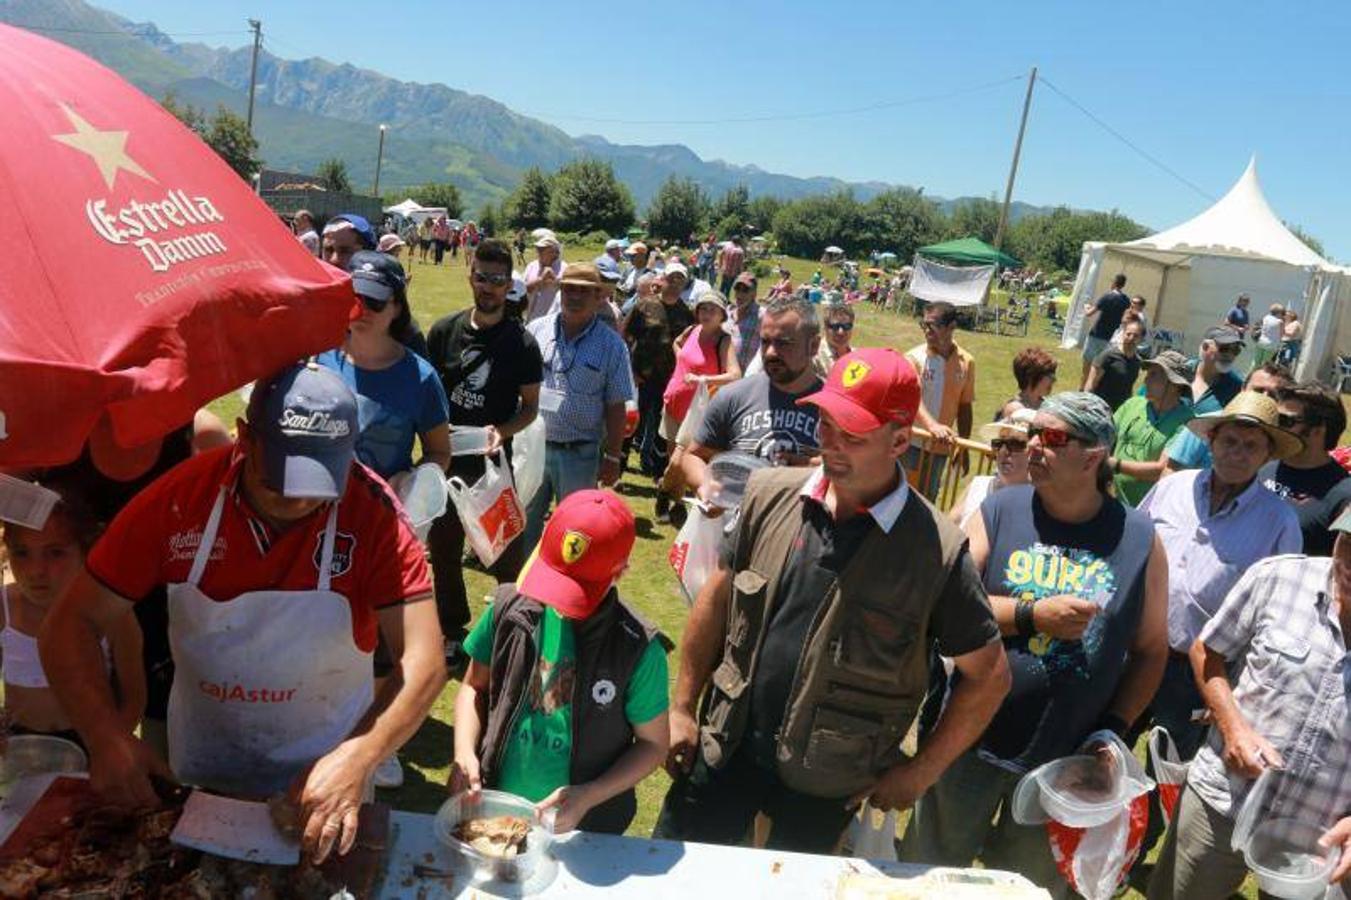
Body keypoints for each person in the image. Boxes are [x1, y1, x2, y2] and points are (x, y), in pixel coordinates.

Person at [39, 363, 446, 864]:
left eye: (318, 486)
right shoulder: (180, 500)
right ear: (245, 438)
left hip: (326, 774)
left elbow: (424, 661)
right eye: (280, 481)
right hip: (206, 768)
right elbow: (69, 624)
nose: (298, 501)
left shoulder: (373, 512)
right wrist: (105, 736)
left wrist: (362, 754)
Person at [656, 348, 1009, 852]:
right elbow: (716, 597)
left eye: (854, 435)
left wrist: (920, 772)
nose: (832, 445)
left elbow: (990, 676)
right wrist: (684, 707)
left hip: (828, 781)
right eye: (825, 424)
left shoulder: (938, 551)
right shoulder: (767, 494)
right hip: (724, 748)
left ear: (901, 440)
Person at [903, 392, 1168, 895]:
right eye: (1032, 436)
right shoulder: (1001, 510)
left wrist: (1112, 730)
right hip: (970, 738)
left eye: (1052, 437)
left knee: (1031, 887)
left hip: (1066, 762)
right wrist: (1031, 616)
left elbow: (1153, 650)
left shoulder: (1139, 539)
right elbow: (947, 606)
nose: (1034, 447)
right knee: (931, 874)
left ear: (1093, 457)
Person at [1147, 507, 1351, 899]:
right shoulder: (1278, 577)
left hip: (1321, 836)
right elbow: (1208, 651)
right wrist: (1233, 726)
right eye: (1350, 541)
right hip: (1224, 799)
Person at [451, 490, 669, 834]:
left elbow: (654, 745)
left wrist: (590, 795)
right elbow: (472, 687)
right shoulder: (509, 609)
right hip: (494, 805)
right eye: (556, 579)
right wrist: (464, 750)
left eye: (580, 589)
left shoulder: (638, 650)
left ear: (621, 572)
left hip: (585, 826)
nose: (561, 603)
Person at [1138, 391, 1303, 761]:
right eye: (1229, 441)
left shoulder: (1280, 522)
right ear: (1211, 441)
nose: (1238, 453)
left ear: (1267, 456)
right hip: (1134, 652)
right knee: (1102, 751)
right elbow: (1130, 547)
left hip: (1197, 674)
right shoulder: (1171, 487)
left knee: (1168, 770)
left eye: (1251, 446)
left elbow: (1275, 614)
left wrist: (1234, 687)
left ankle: (1154, 821)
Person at [425, 238, 543, 660]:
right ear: (469, 276)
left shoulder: (523, 344)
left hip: (494, 465)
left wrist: (503, 431)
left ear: (508, 283)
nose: (488, 287)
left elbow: (529, 408)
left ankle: (509, 631)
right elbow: (427, 394)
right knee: (443, 549)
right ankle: (451, 628)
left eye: (497, 280)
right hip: (445, 459)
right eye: (481, 277)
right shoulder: (443, 332)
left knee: (505, 555)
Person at [2, 482, 142, 745]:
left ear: (86, 551)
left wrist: (112, 748)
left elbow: (134, 697)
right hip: (21, 744)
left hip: (94, 743)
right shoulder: (4, 609)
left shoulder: (113, 614)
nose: (36, 571)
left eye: (55, 553)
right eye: (22, 553)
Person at [523, 264, 635, 553]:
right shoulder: (536, 330)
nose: (574, 296)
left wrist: (612, 457)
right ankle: (522, 591)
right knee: (526, 524)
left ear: (599, 296)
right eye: (569, 288)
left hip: (580, 453)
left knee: (574, 531)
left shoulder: (612, 345)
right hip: (533, 448)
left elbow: (616, 405)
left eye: (583, 291)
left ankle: (565, 592)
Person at [316, 251, 451, 483]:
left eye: (375, 301)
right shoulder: (318, 358)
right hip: (319, 506)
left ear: (397, 307)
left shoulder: (421, 378)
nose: (362, 310)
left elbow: (439, 452)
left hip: (381, 512)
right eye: (355, 298)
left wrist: (409, 482)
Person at [679, 296, 825, 503]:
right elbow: (693, 455)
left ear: (813, 346)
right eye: (765, 342)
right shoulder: (733, 396)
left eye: (784, 343)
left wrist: (826, 468)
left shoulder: (836, 409)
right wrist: (706, 485)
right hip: (736, 528)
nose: (771, 352)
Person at [657, 293, 741, 518]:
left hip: (697, 411)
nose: (706, 314)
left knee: (678, 462)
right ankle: (675, 503)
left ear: (722, 315)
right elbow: (677, 344)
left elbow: (735, 375)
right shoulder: (692, 330)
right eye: (703, 309)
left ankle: (664, 490)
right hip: (674, 401)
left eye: (712, 310)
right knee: (672, 459)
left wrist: (704, 379)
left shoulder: (724, 341)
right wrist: (681, 362)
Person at [1260, 381, 1351, 556]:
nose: (1275, 426)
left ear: (1318, 430)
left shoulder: (1344, 496)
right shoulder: (1262, 467)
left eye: (1285, 421)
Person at [621, 272, 695, 482]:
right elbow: (625, 335)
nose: (674, 284)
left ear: (684, 285)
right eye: (671, 278)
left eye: (680, 280)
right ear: (662, 281)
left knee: (663, 427)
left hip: (670, 380)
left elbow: (690, 346)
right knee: (633, 421)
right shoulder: (644, 305)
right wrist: (632, 371)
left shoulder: (687, 313)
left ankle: (658, 471)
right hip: (641, 377)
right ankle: (619, 466)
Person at [906, 301, 975, 499]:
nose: (926, 331)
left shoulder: (967, 362)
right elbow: (913, 398)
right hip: (912, 443)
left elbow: (964, 406)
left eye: (932, 325)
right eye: (924, 324)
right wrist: (932, 426)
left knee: (929, 497)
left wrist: (963, 446)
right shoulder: (914, 358)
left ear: (951, 327)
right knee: (905, 495)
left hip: (940, 449)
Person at [1108, 350, 1195, 506]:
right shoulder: (1133, 404)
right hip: (1112, 501)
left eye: (1154, 375)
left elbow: (1163, 470)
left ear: (1174, 384)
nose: (1146, 380)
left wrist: (1114, 465)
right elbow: (1103, 436)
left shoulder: (1187, 422)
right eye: (1148, 373)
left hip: (1149, 511)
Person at [1160, 327, 1249, 472]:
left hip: (1192, 466)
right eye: (1225, 348)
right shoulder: (1179, 372)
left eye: (1236, 350)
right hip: (1153, 452)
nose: (1230, 355)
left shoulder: (1237, 388)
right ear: (1205, 346)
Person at [949, 410, 1034, 530]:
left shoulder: (1041, 502)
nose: (1003, 451)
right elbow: (948, 528)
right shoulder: (979, 485)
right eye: (999, 444)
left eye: (1015, 444)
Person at [1083, 317, 1145, 411]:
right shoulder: (1107, 356)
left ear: (1141, 339)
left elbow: (1128, 388)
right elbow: (1091, 384)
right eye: (1128, 334)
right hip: (1100, 408)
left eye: (1135, 336)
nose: (1131, 338)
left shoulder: (1137, 362)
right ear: (1123, 334)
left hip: (1120, 410)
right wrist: (1086, 406)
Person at [1080, 273, 1131, 383]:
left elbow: (1089, 313)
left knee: (1087, 364)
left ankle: (1082, 387)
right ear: (1123, 285)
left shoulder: (1107, 297)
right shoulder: (1126, 301)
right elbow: (1125, 319)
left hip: (1097, 334)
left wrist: (1086, 307)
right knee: (1101, 367)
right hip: (1111, 338)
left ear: (1114, 282)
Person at [996, 347, 1057, 421]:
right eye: (1049, 375)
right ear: (1031, 377)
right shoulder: (1015, 409)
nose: (1054, 380)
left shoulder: (1048, 406)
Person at [524, 231, 564, 322]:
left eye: (543, 249)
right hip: (532, 317)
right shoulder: (532, 266)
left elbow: (567, 291)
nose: (539, 251)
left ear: (555, 252)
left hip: (554, 320)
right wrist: (540, 280)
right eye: (538, 248)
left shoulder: (564, 268)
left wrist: (553, 278)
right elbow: (523, 289)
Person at [729, 272, 762, 371]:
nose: (740, 294)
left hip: (747, 377)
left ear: (754, 293)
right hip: (724, 375)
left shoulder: (762, 315)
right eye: (737, 289)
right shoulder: (727, 312)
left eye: (745, 290)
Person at [812, 303, 854, 379]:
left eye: (846, 326)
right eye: (835, 327)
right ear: (825, 328)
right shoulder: (814, 357)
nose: (841, 332)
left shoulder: (857, 355)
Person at [1252, 302, 1285, 370]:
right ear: (1278, 313)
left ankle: (1250, 376)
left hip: (1261, 341)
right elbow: (1281, 335)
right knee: (1265, 364)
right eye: (1282, 313)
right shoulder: (1280, 322)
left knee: (1256, 361)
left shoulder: (1266, 317)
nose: (1282, 315)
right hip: (1271, 345)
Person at [619, 242, 653, 308]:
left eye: (633, 255)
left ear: (642, 256)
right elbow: (620, 282)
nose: (630, 258)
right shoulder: (629, 269)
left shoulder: (649, 274)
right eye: (629, 255)